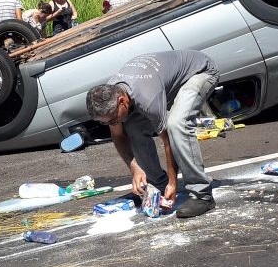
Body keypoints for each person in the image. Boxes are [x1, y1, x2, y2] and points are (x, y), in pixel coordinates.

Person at [86, 50, 219, 218]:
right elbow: (118, 136)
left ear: (122, 101)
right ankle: (157, 185)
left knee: (177, 124)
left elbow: (167, 141)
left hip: (199, 72)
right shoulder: (111, 95)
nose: (111, 124)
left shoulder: (147, 97)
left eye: (112, 119)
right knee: (133, 127)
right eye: (105, 123)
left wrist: (173, 181)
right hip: (164, 84)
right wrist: (135, 169)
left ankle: (202, 195)